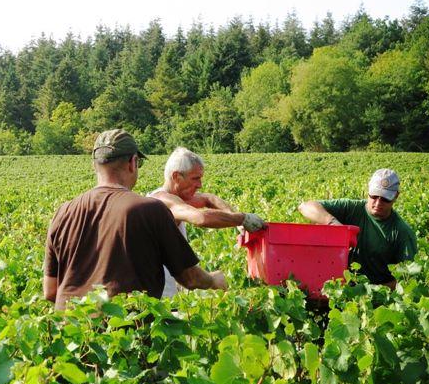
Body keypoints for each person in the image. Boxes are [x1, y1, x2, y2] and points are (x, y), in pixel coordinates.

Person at [43, 129, 227, 310]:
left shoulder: (62, 213)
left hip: (72, 332)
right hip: (126, 331)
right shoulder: (149, 209)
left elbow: (50, 292)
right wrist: (213, 280)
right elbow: (191, 278)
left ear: (95, 165)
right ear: (133, 162)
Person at [148, 147, 267, 298]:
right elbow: (200, 218)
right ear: (177, 176)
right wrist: (242, 218)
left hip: (169, 291)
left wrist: (234, 217)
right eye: (195, 178)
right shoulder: (163, 201)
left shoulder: (179, 198)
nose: (200, 185)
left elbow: (209, 198)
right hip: (161, 295)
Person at [298, 168, 417, 288]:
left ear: (396, 196)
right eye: (374, 196)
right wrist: (334, 224)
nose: (378, 202)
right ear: (368, 191)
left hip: (376, 297)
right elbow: (305, 207)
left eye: (385, 198)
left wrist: (374, 291)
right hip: (338, 286)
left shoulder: (402, 232)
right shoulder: (351, 208)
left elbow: (407, 280)